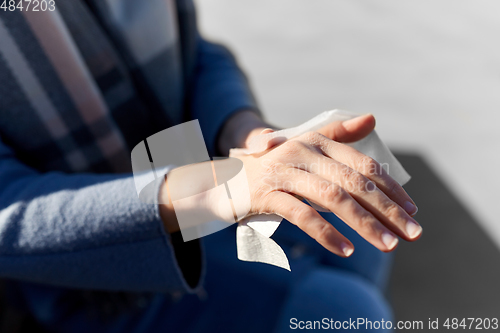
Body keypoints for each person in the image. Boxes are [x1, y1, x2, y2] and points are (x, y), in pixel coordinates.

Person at [0, 1, 420, 332]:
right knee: (342, 312)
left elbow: (197, 51)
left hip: (188, 173)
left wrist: (248, 133)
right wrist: (221, 190)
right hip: (78, 270)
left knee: (356, 228)